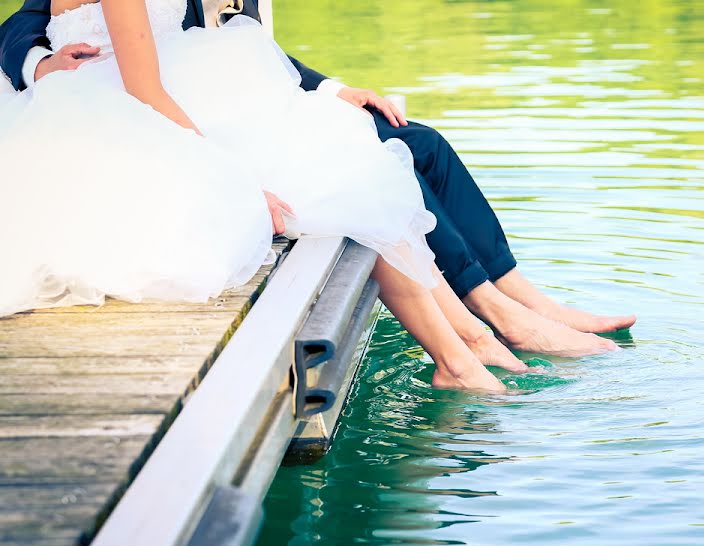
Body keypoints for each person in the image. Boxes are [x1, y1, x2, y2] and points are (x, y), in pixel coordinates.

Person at [0, 0, 636, 362]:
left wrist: (333, 88)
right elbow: (28, 25)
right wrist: (40, 63)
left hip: (237, 92)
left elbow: (248, 49)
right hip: (160, 102)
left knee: (418, 143)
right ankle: (488, 320)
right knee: (370, 160)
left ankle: (523, 300)